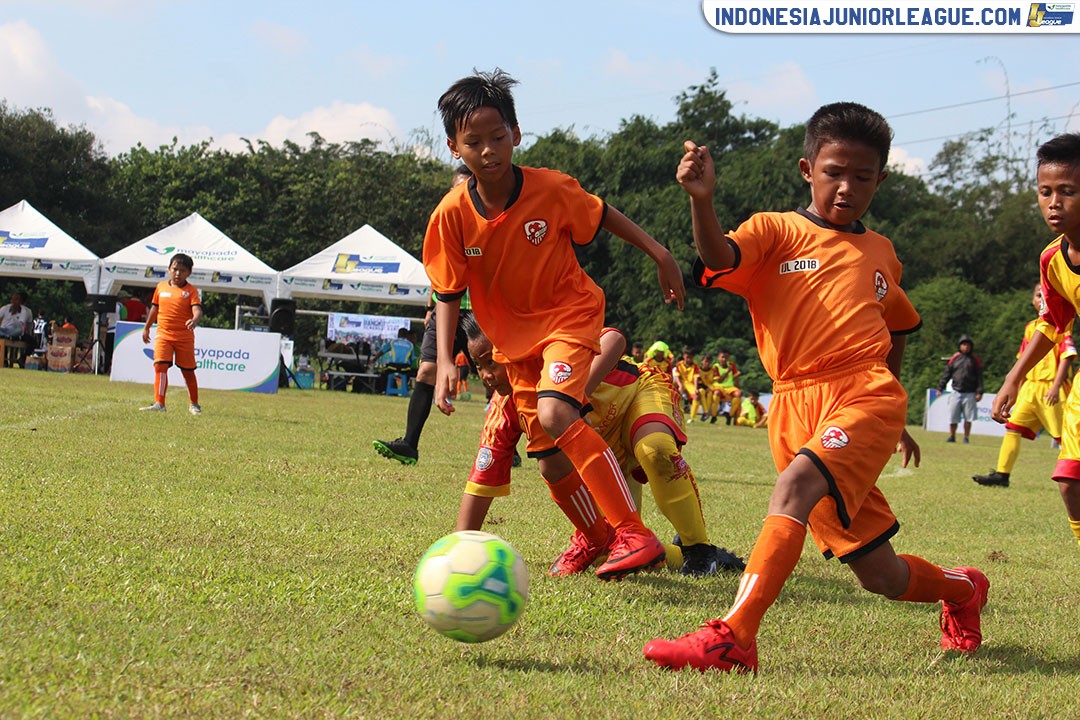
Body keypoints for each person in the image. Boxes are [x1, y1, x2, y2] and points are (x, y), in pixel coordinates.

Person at [644, 102, 988, 673]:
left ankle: (734, 638)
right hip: (794, 404)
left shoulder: (881, 254)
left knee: (794, 488)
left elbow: (898, 323)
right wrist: (701, 201)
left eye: (862, 176)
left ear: (881, 178)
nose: (847, 187)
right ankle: (963, 590)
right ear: (808, 170)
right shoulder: (774, 231)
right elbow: (717, 257)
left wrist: (890, 409)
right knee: (880, 575)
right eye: (834, 172)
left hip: (864, 393)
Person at [424, 69, 685, 581]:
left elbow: (603, 213)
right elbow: (447, 291)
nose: (489, 150)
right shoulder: (451, 216)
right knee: (548, 459)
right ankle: (598, 539)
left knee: (557, 412)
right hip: (514, 345)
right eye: (473, 141)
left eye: (498, 137)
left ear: (516, 135)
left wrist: (660, 252)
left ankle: (634, 533)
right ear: (455, 148)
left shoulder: (550, 189)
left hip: (568, 316)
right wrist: (444, 363)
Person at [456, 312, 742, 577]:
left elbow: (614, 339)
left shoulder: (552, 350)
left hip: (639, 394)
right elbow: (481, 484)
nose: (485, 375)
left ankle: (700, 551)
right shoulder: (503, 410)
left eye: (491, 361)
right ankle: (691, 558)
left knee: (654, 449)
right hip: (604, 454)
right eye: (478, 365)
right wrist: (458, 553)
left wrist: (571, 396)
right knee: (612, 547)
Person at [992, 132, 1080, 548]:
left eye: (1068, 191)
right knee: (1069, 483)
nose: (1054, 202)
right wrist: (1013, 378)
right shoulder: (1051, 259)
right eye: (1045, 191)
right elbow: (1052, 323)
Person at [373, 164, 473, 465]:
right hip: (444, 308)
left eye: (466, 188)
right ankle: (409, 444)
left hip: (479, 312)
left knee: (500, 377)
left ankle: (510, 448)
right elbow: (438, 271)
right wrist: (430, 307)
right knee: (426, 372)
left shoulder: (487, 223)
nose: (459, 194)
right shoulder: (444, 223)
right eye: (455, 188)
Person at [975, 284, 1075, 487]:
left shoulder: (1061, 321)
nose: (1041, 298)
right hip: (1030, 388)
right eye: (1038, 295)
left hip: (1051, 389)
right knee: (1013, 427)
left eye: (1044, 294)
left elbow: (1067, 356)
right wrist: (1016, 388)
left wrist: (1056, 387)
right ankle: (1002, 475)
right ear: (1032, 300)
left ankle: (1074, 477)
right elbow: (1023, 360)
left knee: (1067, 436)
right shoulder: (1031, 328)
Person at [141, 253, 203, 415]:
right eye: (175, 269)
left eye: (182, 271)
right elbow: (155, 308)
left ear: (189, 272)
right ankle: (159, 403)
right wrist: (147, 327)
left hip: (184, 337)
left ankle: (194, 404)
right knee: (160, 366)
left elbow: (197, 309)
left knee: (188, 371)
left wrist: (195, 320)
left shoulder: (191, 291)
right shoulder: (161, 287)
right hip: (163, 334)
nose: (177, 273)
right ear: (169, 270)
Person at [938, 336, 984, 443]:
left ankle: (966, 437)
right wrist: (940, 387)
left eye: (968, 345)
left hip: (970, 393)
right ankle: (952, 436)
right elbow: (947, 374)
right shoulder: (955, 358)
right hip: (956, 391)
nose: (966, 347)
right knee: (953, 416)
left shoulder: (975, 360)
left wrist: (979, 391)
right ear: (960, 346)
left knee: (968, 418)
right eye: (964, 345)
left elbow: (979, 377)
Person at [715, 349, 743, 425]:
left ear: (729, 358)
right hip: (720, 387)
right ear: (718, 357)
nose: (724, 359)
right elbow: (719, 381)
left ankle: (730, 415)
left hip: (730, 388)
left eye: (726, 357)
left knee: (739, 393)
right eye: (722, 357)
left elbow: (736, 377)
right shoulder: (716, 367)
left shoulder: (732, 365)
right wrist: (727, 372)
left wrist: (738, 388)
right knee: (716, 393)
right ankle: (714, 416)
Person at [674, 347, 699, 417]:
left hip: (690, 384)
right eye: (687, 357)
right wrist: (680, 385)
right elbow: (677, 377)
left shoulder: (695, 366)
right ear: (684, 356)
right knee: (677, 392)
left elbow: (696, 378)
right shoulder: (679, 364)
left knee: (696, 397)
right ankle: (675, 410)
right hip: (681, 382)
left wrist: (696, 388)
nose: (688, 359)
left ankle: (692, 417)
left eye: (690, 357)